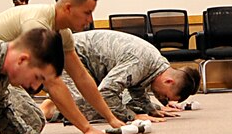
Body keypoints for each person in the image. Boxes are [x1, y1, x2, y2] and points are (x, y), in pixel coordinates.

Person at [0, 0, 129, 134]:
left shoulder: (62, 33)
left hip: (2, 77)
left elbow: (81, 76)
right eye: (87, 12)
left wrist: (111, 118)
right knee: (28, 123)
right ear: (69, 8)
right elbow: (52, 83)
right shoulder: (37, 24)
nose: (90, 19)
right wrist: (87, 128)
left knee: (34, 120)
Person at [40, 28, 199, 124]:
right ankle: (52, 105)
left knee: (118, 103)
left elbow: (136, 87)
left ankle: (60, 100)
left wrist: (150, 109)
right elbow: (106, 91)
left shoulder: (158, 64)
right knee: (89, 109)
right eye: (164, 96)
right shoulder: (140, 62)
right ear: (168, 81)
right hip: (64, 55)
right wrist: (133, 116)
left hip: (85, 62)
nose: (160, 98)